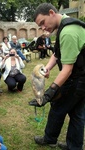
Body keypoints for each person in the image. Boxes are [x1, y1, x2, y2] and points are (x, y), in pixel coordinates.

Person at [31, 3, 85, 150]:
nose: (43, 28)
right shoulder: (65, 24)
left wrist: (50, 92)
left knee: (57, 107)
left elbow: (67, 69)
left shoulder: (68, 32)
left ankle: (49, 139)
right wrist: (47, 68)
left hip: (76, 80)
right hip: (80, 78)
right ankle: (74, 146)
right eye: (39, 26)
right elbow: (57, 53)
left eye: (42, 22)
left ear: (51, 13)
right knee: (77, 113)